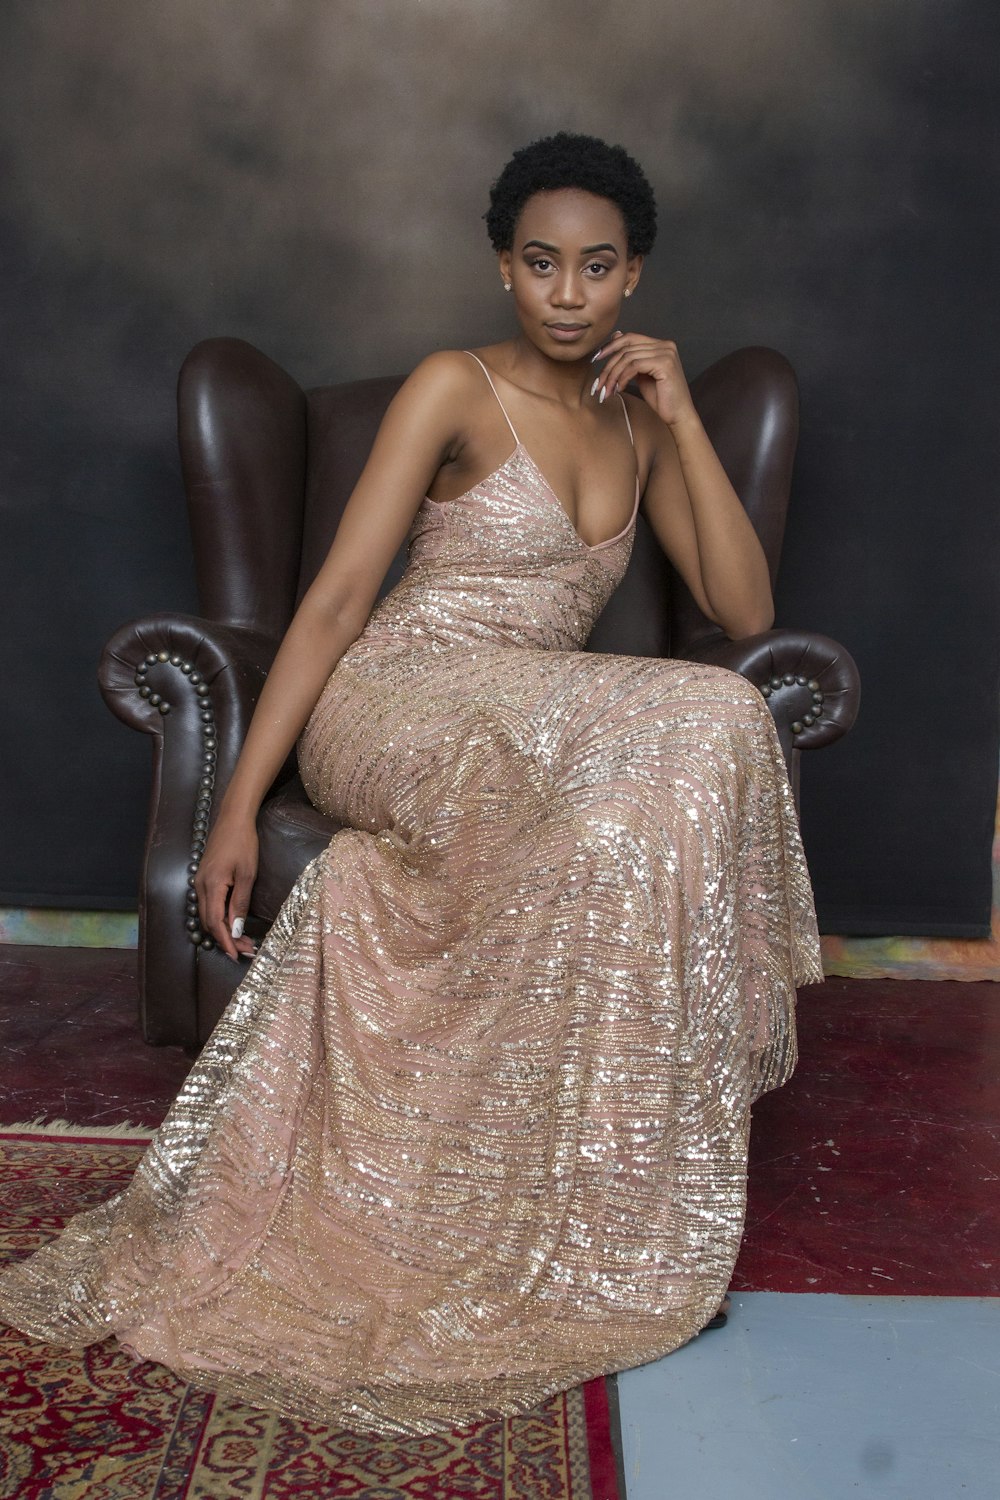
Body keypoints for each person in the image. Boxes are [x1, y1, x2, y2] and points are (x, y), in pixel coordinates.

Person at [0, 132, 822, 1435]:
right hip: (389, 701)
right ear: (503, 269)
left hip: (520, 727)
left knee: (646, 801)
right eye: (541, 263)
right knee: (704, 714)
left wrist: (680, 419)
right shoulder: (453, 384)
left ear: (633, 278)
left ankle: (601, 1216)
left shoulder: (640, 420)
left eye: (596, 268)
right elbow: (331, 604)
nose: (567, 293)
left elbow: (742, 602)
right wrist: (232, 809)